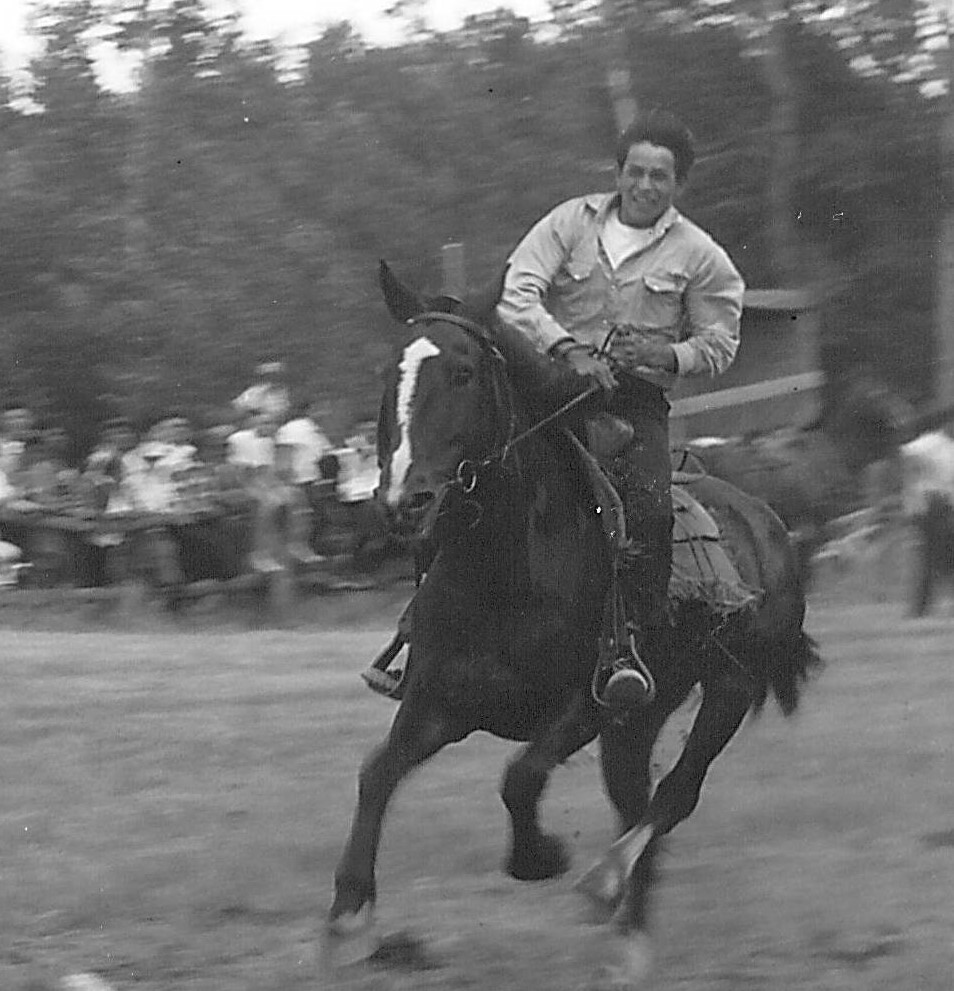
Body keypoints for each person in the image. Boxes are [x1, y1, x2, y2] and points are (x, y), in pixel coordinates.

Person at [496, 109, 745, 699]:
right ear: (619, 172)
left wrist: (666, 356)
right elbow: (516, 291)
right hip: (550, 384)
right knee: (475, 479)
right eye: (636, 172)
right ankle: (423, 630)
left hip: (632, 403)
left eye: (660, 176)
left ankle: (628, 647)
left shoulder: (702, 255)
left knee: (650, 510)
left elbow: (721, 343)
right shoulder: (568, 222)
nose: (645, 186)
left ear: (678, 183)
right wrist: (562, 345)